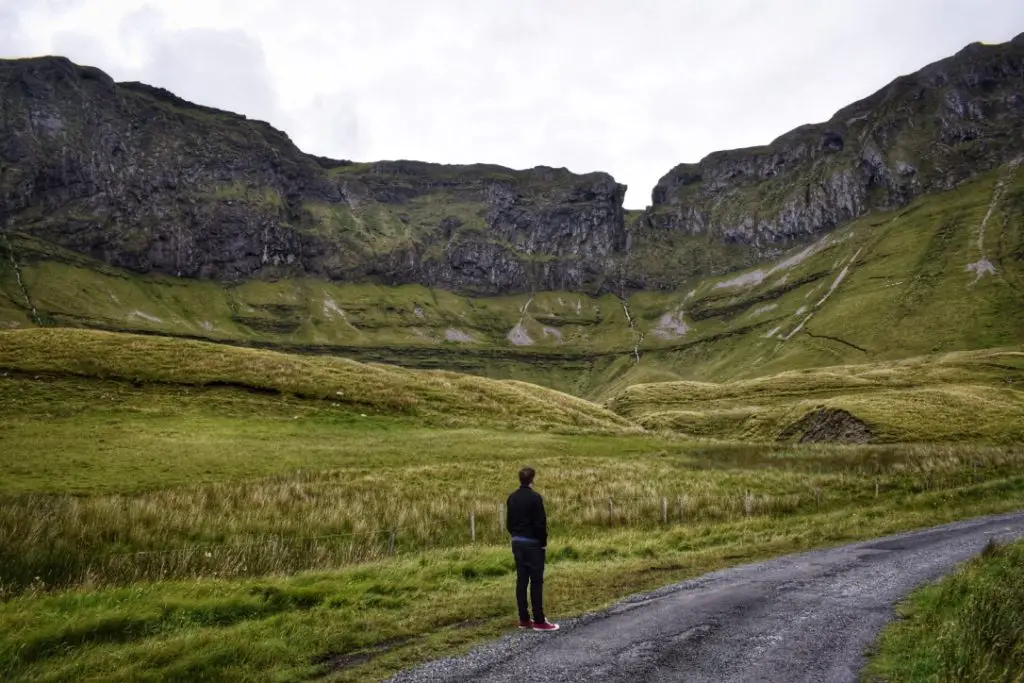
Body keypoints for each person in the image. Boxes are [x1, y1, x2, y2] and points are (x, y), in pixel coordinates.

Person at [506, 466, 559, 631]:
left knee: (521, 580)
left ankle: (524, 618)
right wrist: (542, 542)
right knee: (536, 581)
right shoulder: (535, 498)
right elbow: (540, 524)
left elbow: (509, 522)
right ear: (532, 480)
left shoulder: (512, 498)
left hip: (517, 541)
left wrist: (515, 534)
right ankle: (539, 620)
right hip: (533, 543)